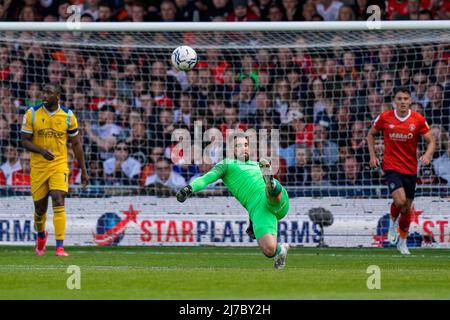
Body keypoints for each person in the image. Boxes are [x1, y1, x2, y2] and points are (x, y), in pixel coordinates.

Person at [176, 133, 290, 269]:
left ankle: (271, 184)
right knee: (269, 250)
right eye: (238, 146)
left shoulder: (257, 164)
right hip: (258, 210)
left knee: (270, 191)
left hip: (276, 199)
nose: (244, 148)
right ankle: (280, 250)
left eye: (246, 145)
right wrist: (189, 188)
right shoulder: (226, 164)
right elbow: (206, 178)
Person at [21, 84, 89, 257]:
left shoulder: (68, 116)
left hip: (59, 164)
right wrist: (42, 151)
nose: (44, 96)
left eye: (49, 93)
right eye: (43, 92)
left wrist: (84, 171)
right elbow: (25, 141)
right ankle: (42, 235)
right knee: (40, 210)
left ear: (57, 96)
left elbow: (76, 144)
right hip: (38, 167)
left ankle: (59, 247)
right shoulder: (32, 113)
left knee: (58, 199)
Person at [367, 87, 435, 255]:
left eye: (406, 98)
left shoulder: (418, 119)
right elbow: (371, 135)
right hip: (391, 167)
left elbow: (431, 141)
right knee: (400, 200)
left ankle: (402, 242)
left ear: (410, 101)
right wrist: (373, 156)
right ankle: (392, 223)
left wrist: (427, 155)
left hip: (411, 169)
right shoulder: (385, 117)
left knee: (406, 208)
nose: (403, 101)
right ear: (394, 101)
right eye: (399, 98)